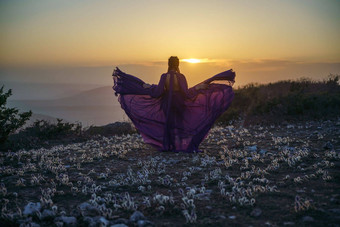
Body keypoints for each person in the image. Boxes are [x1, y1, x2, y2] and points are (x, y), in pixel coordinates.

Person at [112, 56, 235, 152]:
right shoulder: (181, 77)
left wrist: (149, 87)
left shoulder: (164, 76)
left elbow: (158, 92)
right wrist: (198, 88)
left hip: (167, 103)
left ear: (168, 64)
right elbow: (187, 93)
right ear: (177, 65)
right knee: (180, 124)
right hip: (180, 102)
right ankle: (181, 146)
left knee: (168, 124)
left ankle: (169, 146)